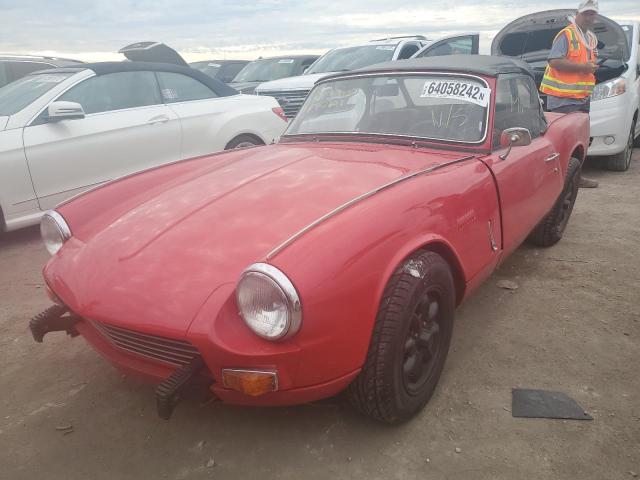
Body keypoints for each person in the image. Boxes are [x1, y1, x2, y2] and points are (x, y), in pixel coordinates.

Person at [540, 0, 600, 188]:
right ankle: (556, 182)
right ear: (578, 13)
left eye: (592, 14)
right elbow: (554, 61)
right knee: (562, 142)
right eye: (586, 13)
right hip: (563, 99)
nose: (589, 17)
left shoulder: (590, 38)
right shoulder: (567, 34)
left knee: (579, 141)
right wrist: (583, 67)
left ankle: (575, 177)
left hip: (581, 98)